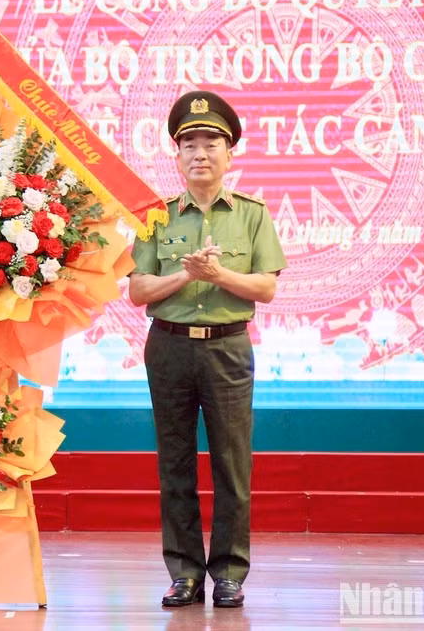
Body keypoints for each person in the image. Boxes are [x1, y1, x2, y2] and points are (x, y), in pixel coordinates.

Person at [128, 90, 287, 608]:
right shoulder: (155, 217)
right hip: (169, 349)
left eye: (210, 144)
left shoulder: (252, 215)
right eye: (189, 145)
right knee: (174, 465)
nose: (200, 154)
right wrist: (185, 275)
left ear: (229, 154)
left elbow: (265, 287)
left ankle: (230, 573)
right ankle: (184, 574)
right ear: (176, 156)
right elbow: (138, 290)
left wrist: (218, 275)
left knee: (232, 466)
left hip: (227, 349)